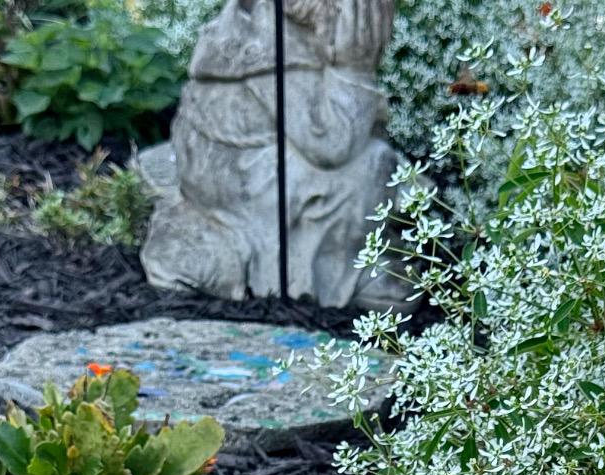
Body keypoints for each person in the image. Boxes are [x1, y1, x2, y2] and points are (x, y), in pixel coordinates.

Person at [142, 0, 409, 307]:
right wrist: (354, 67)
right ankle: (314, 279)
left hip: (247, 179)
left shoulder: (257, 30)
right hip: (249, 189)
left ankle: (338, 270)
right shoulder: (270, 47)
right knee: (371, 164)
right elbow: (332, 145)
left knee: (372, 166)